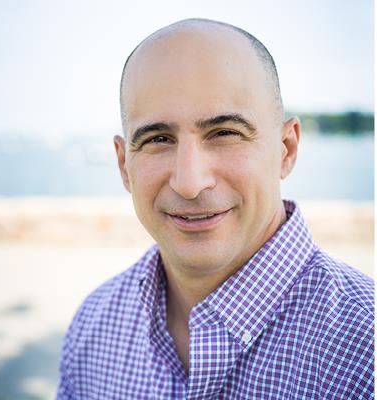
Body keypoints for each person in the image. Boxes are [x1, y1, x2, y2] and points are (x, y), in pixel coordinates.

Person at [57, 18, 374, 399]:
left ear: (286, 150)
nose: (189, 183)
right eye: (158, 139)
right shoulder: (93, 327)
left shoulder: (365, 349)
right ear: (125, 165)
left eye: (224, 133)